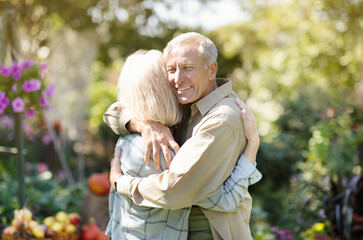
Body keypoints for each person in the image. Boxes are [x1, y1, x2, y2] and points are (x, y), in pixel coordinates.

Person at [105, 32, 261, 239]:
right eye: (171, 70)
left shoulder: (221, 119)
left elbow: (176, 190)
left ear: (212, 69)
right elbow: (114, 112)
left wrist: (120, 182)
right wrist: (145, 125)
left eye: (188, 68)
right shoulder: (186, 99)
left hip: (208, 232)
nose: (178, 79)